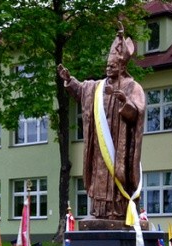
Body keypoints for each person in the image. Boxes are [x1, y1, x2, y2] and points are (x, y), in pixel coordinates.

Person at [58, 25, 145, 221]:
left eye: (112, 66)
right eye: (107, 66)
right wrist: (69, 81)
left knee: (115, 178)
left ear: (122, 67)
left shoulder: (132, 86)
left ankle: (118, 210)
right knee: (99, 178)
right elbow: (81, 92)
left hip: (118, 147)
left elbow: (138, 113)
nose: (108, 69)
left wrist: (125, 102)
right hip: (99, 147)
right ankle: (99, 211)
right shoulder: (96, 87)